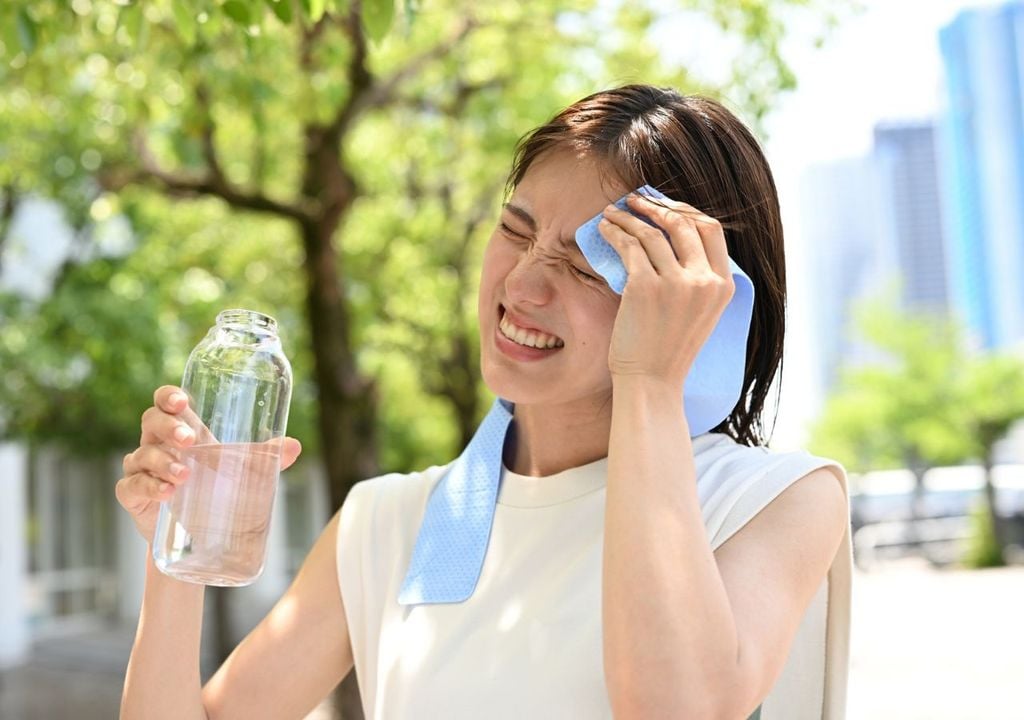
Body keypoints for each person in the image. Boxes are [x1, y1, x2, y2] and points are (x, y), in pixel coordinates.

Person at [116, 84, 852, 720]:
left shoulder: (774, 503)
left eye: (588, 266)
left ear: (701, 302)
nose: (523, 287)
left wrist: (652, 382)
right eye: (514, 231)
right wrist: (172, 541)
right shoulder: (386, 524)